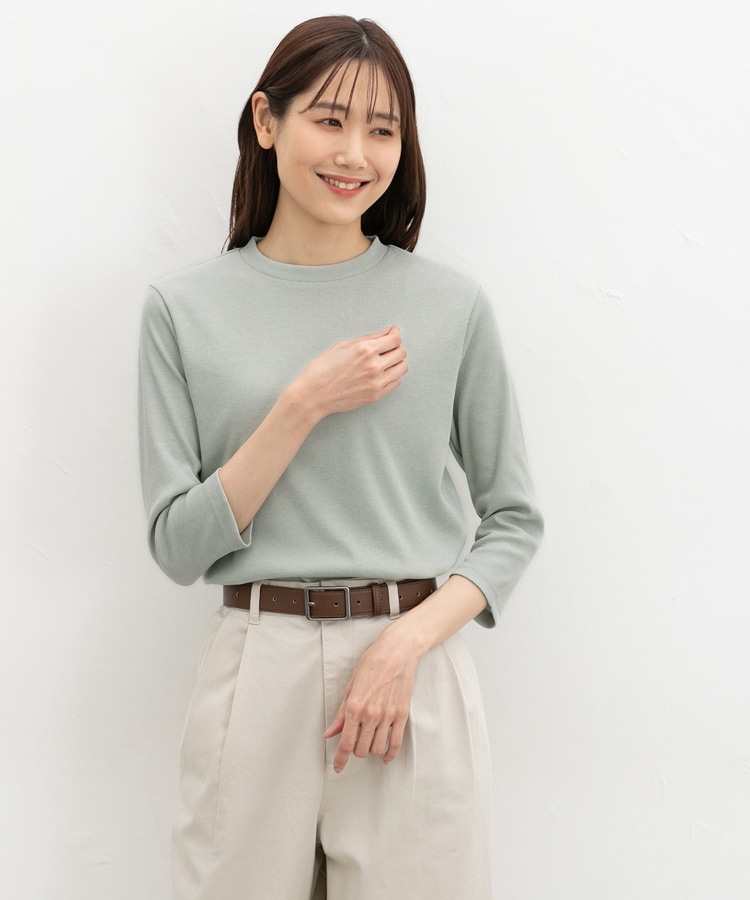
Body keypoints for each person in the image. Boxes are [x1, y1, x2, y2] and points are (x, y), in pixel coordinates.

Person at [138, 14, 543, 900]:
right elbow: (176, 546)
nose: (355, 153)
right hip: (256, 666)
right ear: (266, 121)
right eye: (329, 119)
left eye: (383, 129)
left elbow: (513, 519)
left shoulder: (450, 306)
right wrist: (302, 404)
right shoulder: (182, 309)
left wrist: (408, 642)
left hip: (411, 666)